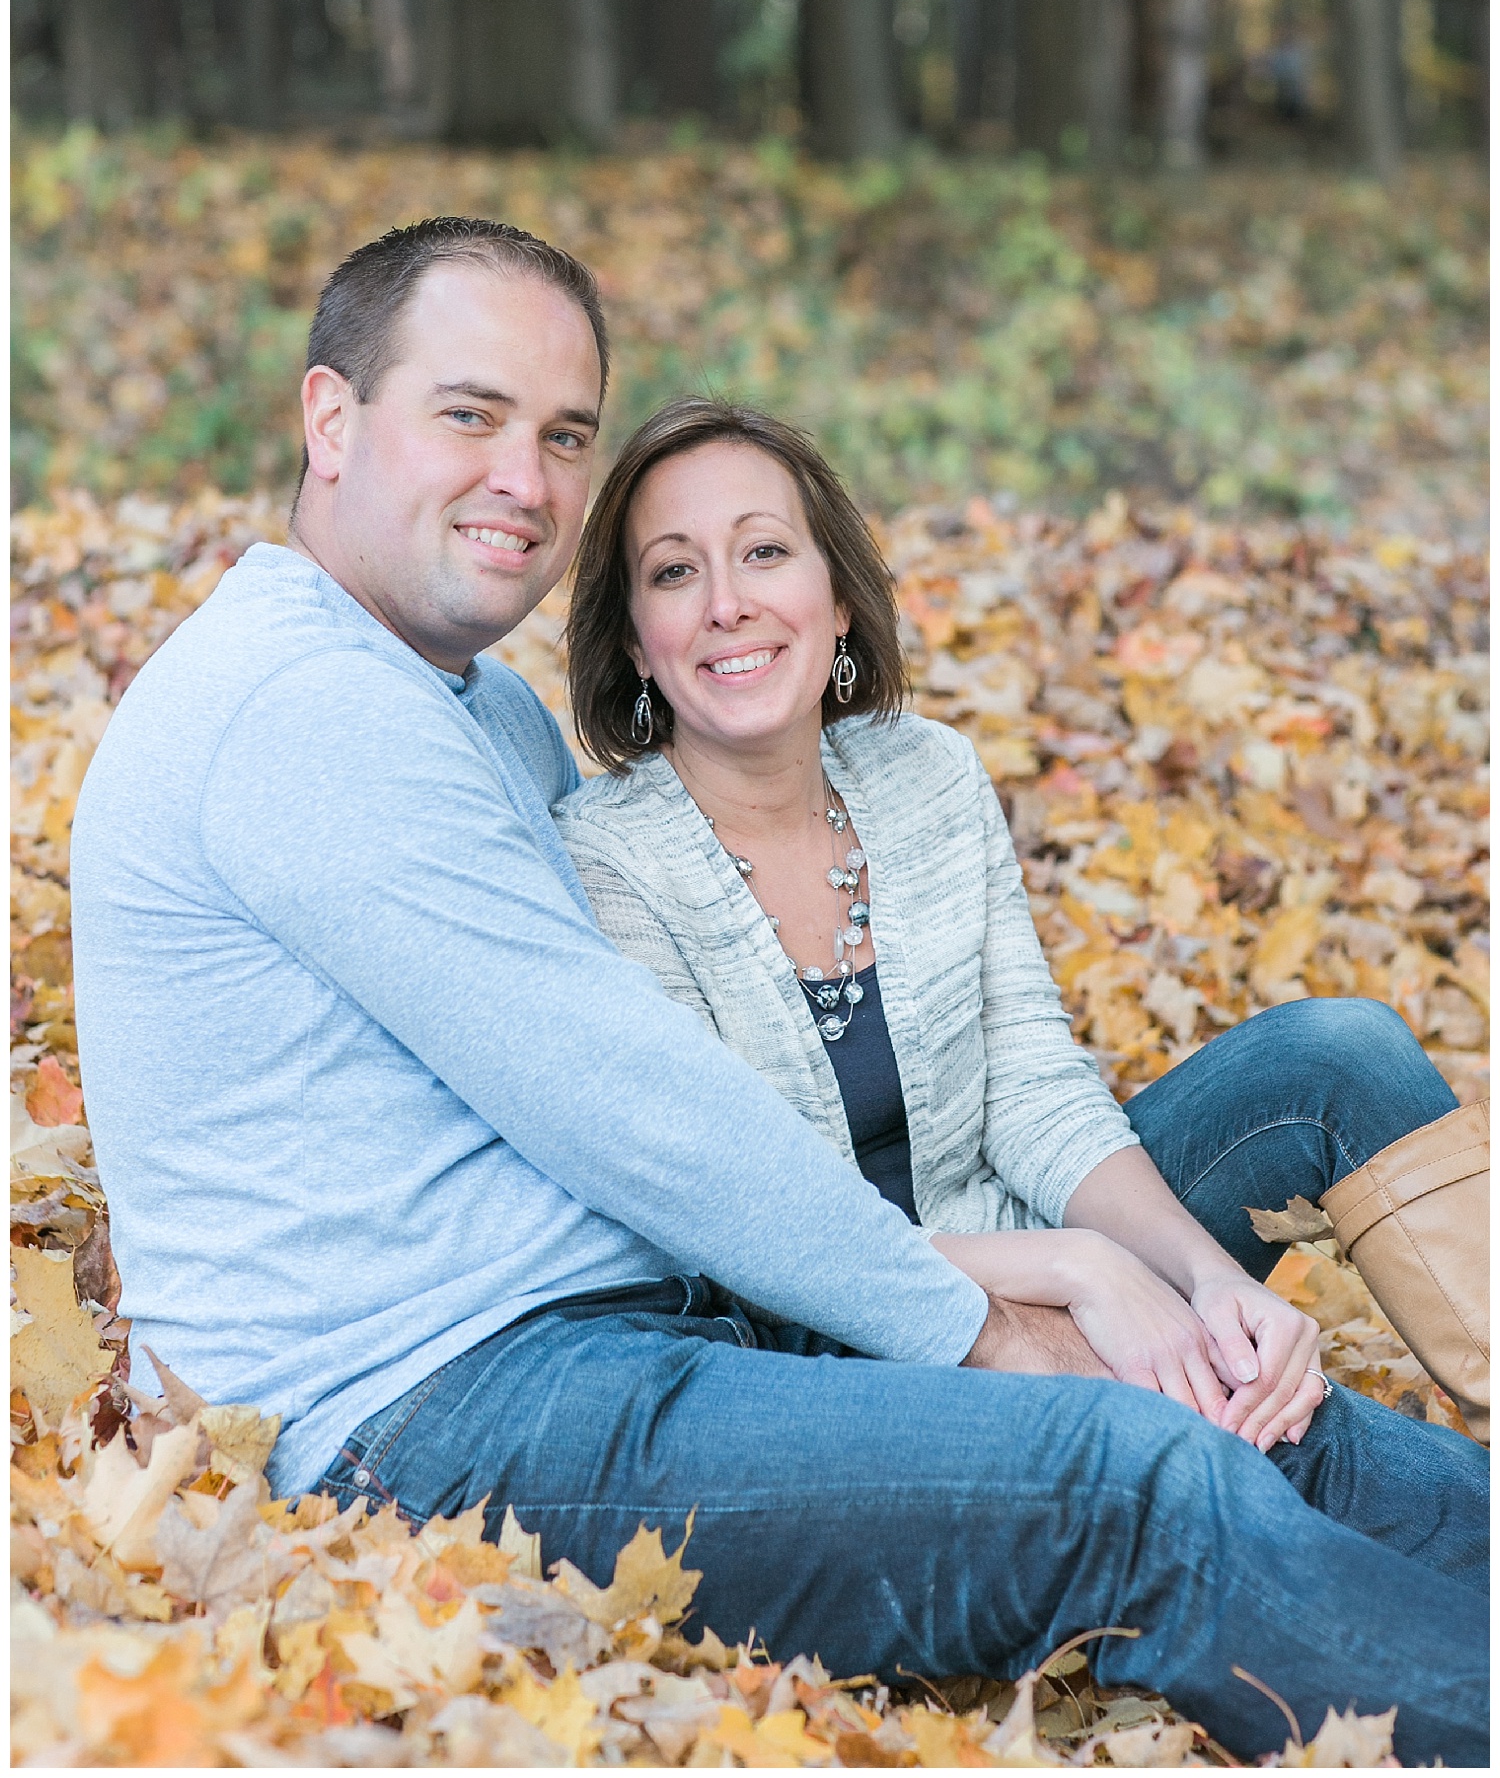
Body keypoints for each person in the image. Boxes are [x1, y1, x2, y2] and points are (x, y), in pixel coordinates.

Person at [69, 219, 1487, 1769]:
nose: (526, 484)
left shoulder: (468, 712)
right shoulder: (303, 713)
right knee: (1136, 1471)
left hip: (632, 1336)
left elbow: (986, 1073)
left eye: (559, 436)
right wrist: (991, 1327)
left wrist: (1096, 1280)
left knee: (1268, 1401)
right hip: (433, 1415)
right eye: (468, 415)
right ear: (330, 421)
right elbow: (643, 1114)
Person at [556, 397, 1489, 1451]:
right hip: (820, 1364)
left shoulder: (930, 775)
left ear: (839, 597)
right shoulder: (604, 859)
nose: (728, 602)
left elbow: (1035, 1089)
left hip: (1015, 1239)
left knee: (1341, 1055)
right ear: (636, 641)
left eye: (765, 551)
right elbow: (751, 1229)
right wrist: (1078, 1269)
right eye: (676, 571)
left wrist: (1208, 1279)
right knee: (1307, 1441)